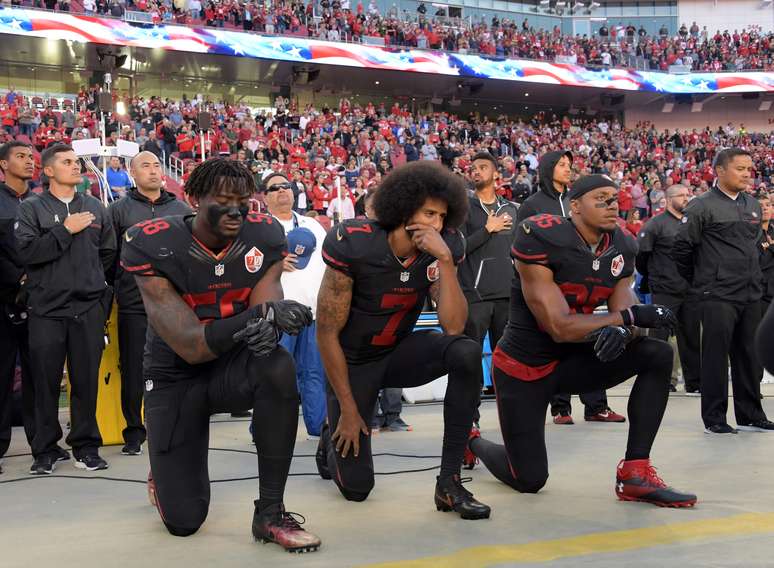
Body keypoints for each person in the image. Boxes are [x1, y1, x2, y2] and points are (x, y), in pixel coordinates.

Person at [120, 159, 321, 551]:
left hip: (231, 365)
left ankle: (270, 512)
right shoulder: (152, 242)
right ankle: (163, 471)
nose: (235, 210)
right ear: (194, 198)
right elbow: (191, 345)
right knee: (184, 522)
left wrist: (270, 321)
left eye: (242, 200)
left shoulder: (263, 234)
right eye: (223, 200)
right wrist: (258, 316)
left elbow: (267, 300)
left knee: (278, 364)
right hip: (175, 374)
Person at [469, 174, 697, 508]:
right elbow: (558, 326)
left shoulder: (622, 244)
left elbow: (626, 311)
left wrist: (623, 329)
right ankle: (472, 440)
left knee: (656, 353)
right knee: (529, 479)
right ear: (574, 206)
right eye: (601, 199)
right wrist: (627, 320)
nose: (611, 205)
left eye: (614, 199)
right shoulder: (540, 235)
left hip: (574, 362)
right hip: (526, 368)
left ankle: (635, 473)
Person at [315, 161, 490, 519]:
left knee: (466, 352)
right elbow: (327, 333)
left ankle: (449, 481)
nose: (437, 224)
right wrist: (348, 411)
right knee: (357, 490)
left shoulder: (444, 248)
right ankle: (330, 432)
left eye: (443, 216)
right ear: (404, 207)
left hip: (397, 352)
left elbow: (454, 326)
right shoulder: (356, 241)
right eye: (429, 213)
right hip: (354, 364)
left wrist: (445, 261)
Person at [15, 144, 116, 475]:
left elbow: (108, 255)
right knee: (44, 383)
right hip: (46, 309)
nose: (76, 167)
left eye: (77, 162)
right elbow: (27, 253)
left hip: (87, 308)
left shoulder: (96, 208)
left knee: (86, 382)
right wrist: (64, 230)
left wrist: (99, 295)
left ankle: (86, 446)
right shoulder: (32, 208)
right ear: (48, 171)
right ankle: (45, 450)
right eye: (67, 162)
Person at [517, 150, 623, 424]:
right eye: (561, 164)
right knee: (559, 336)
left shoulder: (581, 199)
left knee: (595, 337)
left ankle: (596, 405)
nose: (567, 169)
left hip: (589, 280)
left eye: (569, 164)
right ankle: (560, 408)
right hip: (551, 286)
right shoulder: (533, 204)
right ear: (548, 168)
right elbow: (520, 251)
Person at [674, 148, 774, 434]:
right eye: (740, 168)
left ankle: (751, 413)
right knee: (716, 357)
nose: (746, 174)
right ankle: (715, 417)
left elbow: (754, 247)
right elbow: (682, 249)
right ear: (719, 171)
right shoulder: (700, 206)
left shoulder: (753, 205)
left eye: (749, 169)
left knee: (749, 354)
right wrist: (702, 282)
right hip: (716, 294)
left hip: (750, 292)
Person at [108, 151, 191, 455]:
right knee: (134, 368)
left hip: (175, 304)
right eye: (146, 165)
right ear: (132, 173)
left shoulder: (181, 209)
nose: (154, 170)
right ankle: (134, 431)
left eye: (157, 165)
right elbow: (109, 256)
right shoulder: (118, 210)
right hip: (134, 302)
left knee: (178, 365)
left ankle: (178, 425)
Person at [261, 171, 328, 439]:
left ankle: (318, 430)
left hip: (311, 312)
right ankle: (266, 430)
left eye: (286, 186)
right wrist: (274, 265)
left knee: (314, 373)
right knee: (274, 376)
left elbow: (329, 262)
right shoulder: (259, 227)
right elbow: (244, 264)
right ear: (264, 197)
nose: (282, 191)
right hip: (277, 315)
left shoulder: (312, 226)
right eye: (274, 188)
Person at [458, 151, 517, 444]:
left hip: (507, 296)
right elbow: (458, 249)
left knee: (508, 364)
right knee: (470, 365)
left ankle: (514, 428)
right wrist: (486, 230)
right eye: (473, 168)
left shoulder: (511, 209)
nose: (476, 171)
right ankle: (469, 427)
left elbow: (518, 251)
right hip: (475, 297)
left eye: (483, 167)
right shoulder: (464, 209)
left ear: (496, 174)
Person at [636, 184, 701, 395]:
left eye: (687, 195)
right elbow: (642, 257)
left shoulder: (691, 222)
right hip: (665, 288)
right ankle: (658, 381)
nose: (686, 199)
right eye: (681, 196)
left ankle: (695, 383)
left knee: (691, 337)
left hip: (689, 289)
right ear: (669, 198)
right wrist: (655, 277)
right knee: (659, 337)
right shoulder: (655, 225)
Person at [0, 141, 37, 473]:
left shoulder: (41, 201)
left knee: (38, 375)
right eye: (21, 157)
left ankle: (41, 444)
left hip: (40, 300)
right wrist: (17, 280)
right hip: (4, 298)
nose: (29, 161)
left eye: (31, 156)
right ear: (3, 164)